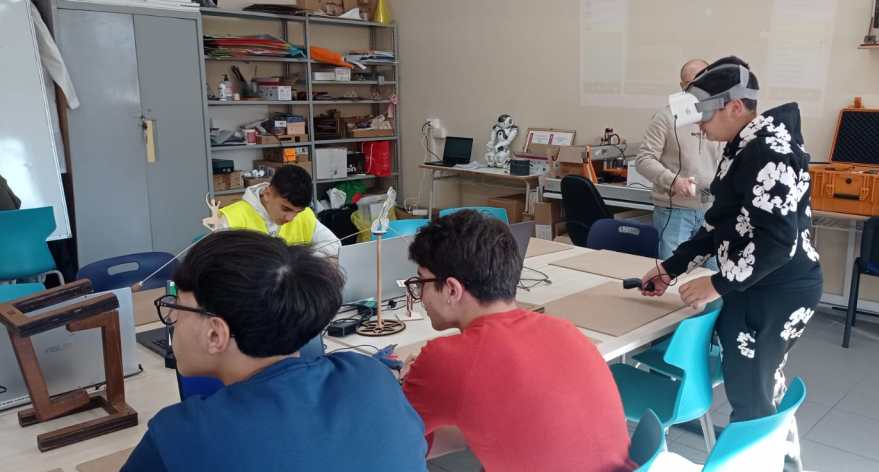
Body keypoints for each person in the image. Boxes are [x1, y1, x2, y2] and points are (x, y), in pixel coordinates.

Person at [639, 56, 822, 470]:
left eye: (703, 115)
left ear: (735, 107)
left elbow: (778, 243)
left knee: (752, 400)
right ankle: (779, 461)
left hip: (774, 291)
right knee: (760, 389)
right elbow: (722, 222)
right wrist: (673, 266)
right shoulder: (745, 146)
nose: (699, 126)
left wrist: (717, 284)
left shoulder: (770, 151)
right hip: (757, 286)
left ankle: (757, 461)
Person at [121, 230, 427, 472]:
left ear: (215, 333)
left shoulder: (180, 436)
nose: (172, 319)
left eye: (176, 307)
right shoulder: (371, 376)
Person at [400, 210, 633, 472]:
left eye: (421, 283)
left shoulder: (446, 359)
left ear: (452, 289)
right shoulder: (564, 330)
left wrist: (393, 386)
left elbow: (391, 443)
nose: (420, 295)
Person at [635, 59, 725, 261]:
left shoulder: (719, 117)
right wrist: (673, 181)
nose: (698, 89)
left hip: (711, 211)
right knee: (673, 271)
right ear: (682, 86)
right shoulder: (665, 118)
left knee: (712, 273)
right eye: (692, 84)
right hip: (674, 213)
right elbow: (644, 159)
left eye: (704, 81)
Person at [217, 165, 339, 257]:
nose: (290, 218)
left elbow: (334, 246)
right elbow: (217, 267)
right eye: (286, 209)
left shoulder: (305, 215)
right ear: (267, 194)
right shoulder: (230, 220)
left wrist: (302, 262)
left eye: (297, 212)